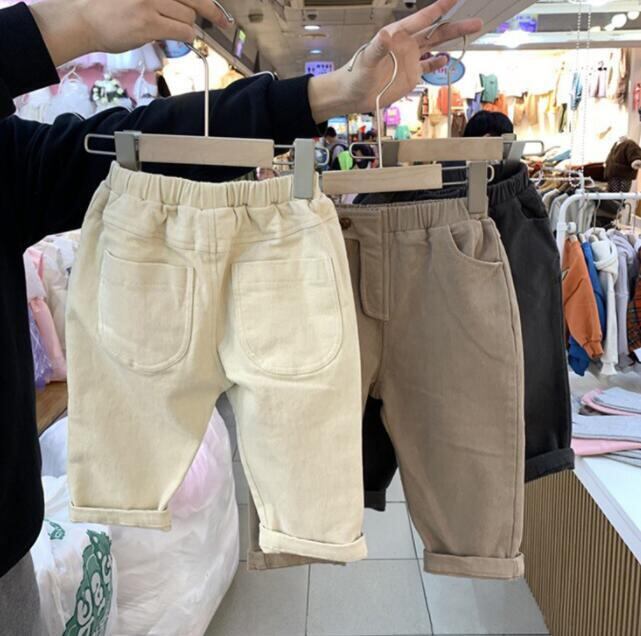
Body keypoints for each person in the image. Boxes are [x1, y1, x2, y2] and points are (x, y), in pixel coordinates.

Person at [0, 0, 481, 628]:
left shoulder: (21, 162)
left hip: (5, 547)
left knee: (290, 432)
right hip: (8, 534)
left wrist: (327, 94)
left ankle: (313, 524)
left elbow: (123, 147)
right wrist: (56, 27)